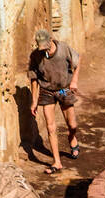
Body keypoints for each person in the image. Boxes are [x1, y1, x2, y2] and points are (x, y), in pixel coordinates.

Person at [28, 30, 81, 175]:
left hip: (63, 89)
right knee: (51, 127)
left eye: (46, 45)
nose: (44, 49)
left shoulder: (64, 49)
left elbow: (77, 61)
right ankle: (57, 162)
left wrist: (74, 80)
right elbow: (33, 79)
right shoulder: (35, 55)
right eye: (41, 47)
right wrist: (34, 101)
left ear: (51, 39)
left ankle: (72, 137)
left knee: (72, 125)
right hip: (47, 92)